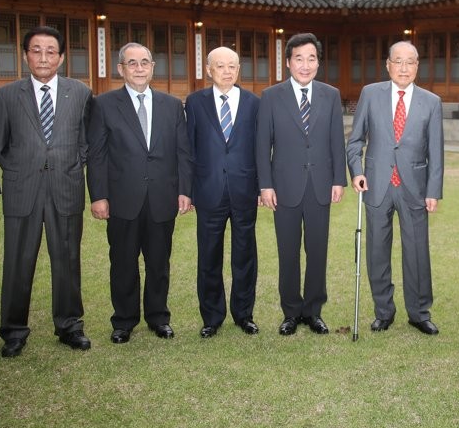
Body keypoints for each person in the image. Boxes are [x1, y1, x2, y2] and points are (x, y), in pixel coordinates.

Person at [0, 26, 93, 357]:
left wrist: (71, 164)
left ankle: (69, 325)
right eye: (36, 50)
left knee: (67, 260)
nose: (44, 57)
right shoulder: (7, 95)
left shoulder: (79, 92)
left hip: (66, 187)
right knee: (18, 262)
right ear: (25, 55)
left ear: (62, 57)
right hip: (24, 190)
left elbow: (86, 140)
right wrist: (22, 169)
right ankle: (13, 330)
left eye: (51, 51)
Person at [87, 42, 192, 344]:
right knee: (123, 262)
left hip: (162, 196)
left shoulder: (172, 105)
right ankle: (124, 321)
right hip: (122, 198)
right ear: (120, 69)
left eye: (144, 62)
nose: (138, 68)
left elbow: (183, 152)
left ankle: (159, 317)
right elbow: (97, 154)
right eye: (131, 63)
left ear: (152, 67)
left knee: (159, 262)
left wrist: (185, 190)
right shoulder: (104, 104)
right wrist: (98, 195)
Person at [347, 41, 444, 335]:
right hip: (376, 184)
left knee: (416, 251)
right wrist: (357, 172)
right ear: (387, 65)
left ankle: (419, 312)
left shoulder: (431, 101)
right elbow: (355, 141)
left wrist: (433, 190)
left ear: (418, 66)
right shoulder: (370, 94)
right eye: (398, 61)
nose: (404, 68)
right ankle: (383, 311)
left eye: (410, 62)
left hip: (414, 186)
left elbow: (436, 152)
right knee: (377, 250)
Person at [256, 33, 346, 335]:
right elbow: (262, 145)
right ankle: (291, 312)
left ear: (318, 62)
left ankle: (314, 311)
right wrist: (265, 185)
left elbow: (336, 139)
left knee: (318, 250)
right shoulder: (271, 96)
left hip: (320, 183)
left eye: (311, 58)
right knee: (288, 251)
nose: (305, 65)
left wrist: (338, 180)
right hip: (284, 186)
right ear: (287, 62)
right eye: (299, 59)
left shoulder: (331, 95)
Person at [185, 47, 261, 338]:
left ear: (239, 69)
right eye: (220, 66)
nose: (227, 71)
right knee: (208, 256)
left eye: (232, 66)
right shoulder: (194, 103)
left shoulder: (254, 103)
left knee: (245, 255)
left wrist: (261, 186)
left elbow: (260, 148)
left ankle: (244, 314)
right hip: (208, 191)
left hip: (244, 190)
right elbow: (188, 149)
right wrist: (188, 190)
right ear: (208, 70)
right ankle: (212, 317)